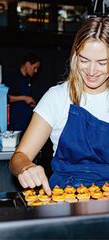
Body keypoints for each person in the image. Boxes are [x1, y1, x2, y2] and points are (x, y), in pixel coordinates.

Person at [9, 16, 109, 196]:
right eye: (84, 60)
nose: (92, 71)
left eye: (102, 63)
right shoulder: (57, 97)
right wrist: (26, 167)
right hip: (65, 199)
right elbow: (19, 157)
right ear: (75, 56)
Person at [5, 52, 41, 134]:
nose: (36, 71)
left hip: (26, 124)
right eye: (34, 67)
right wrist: (24, 98)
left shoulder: (28, 79)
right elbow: (5, 98)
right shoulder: (12, 77)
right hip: (14, 124)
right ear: (27, 64)